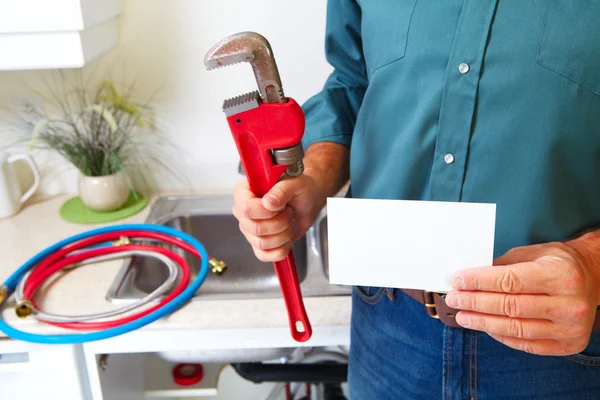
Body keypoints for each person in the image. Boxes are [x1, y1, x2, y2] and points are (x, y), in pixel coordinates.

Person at [232, 1, 600, 398]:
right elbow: (353, 84)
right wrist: (314, 175)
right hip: (387, 328)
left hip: (561, 345)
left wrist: (592, 265)